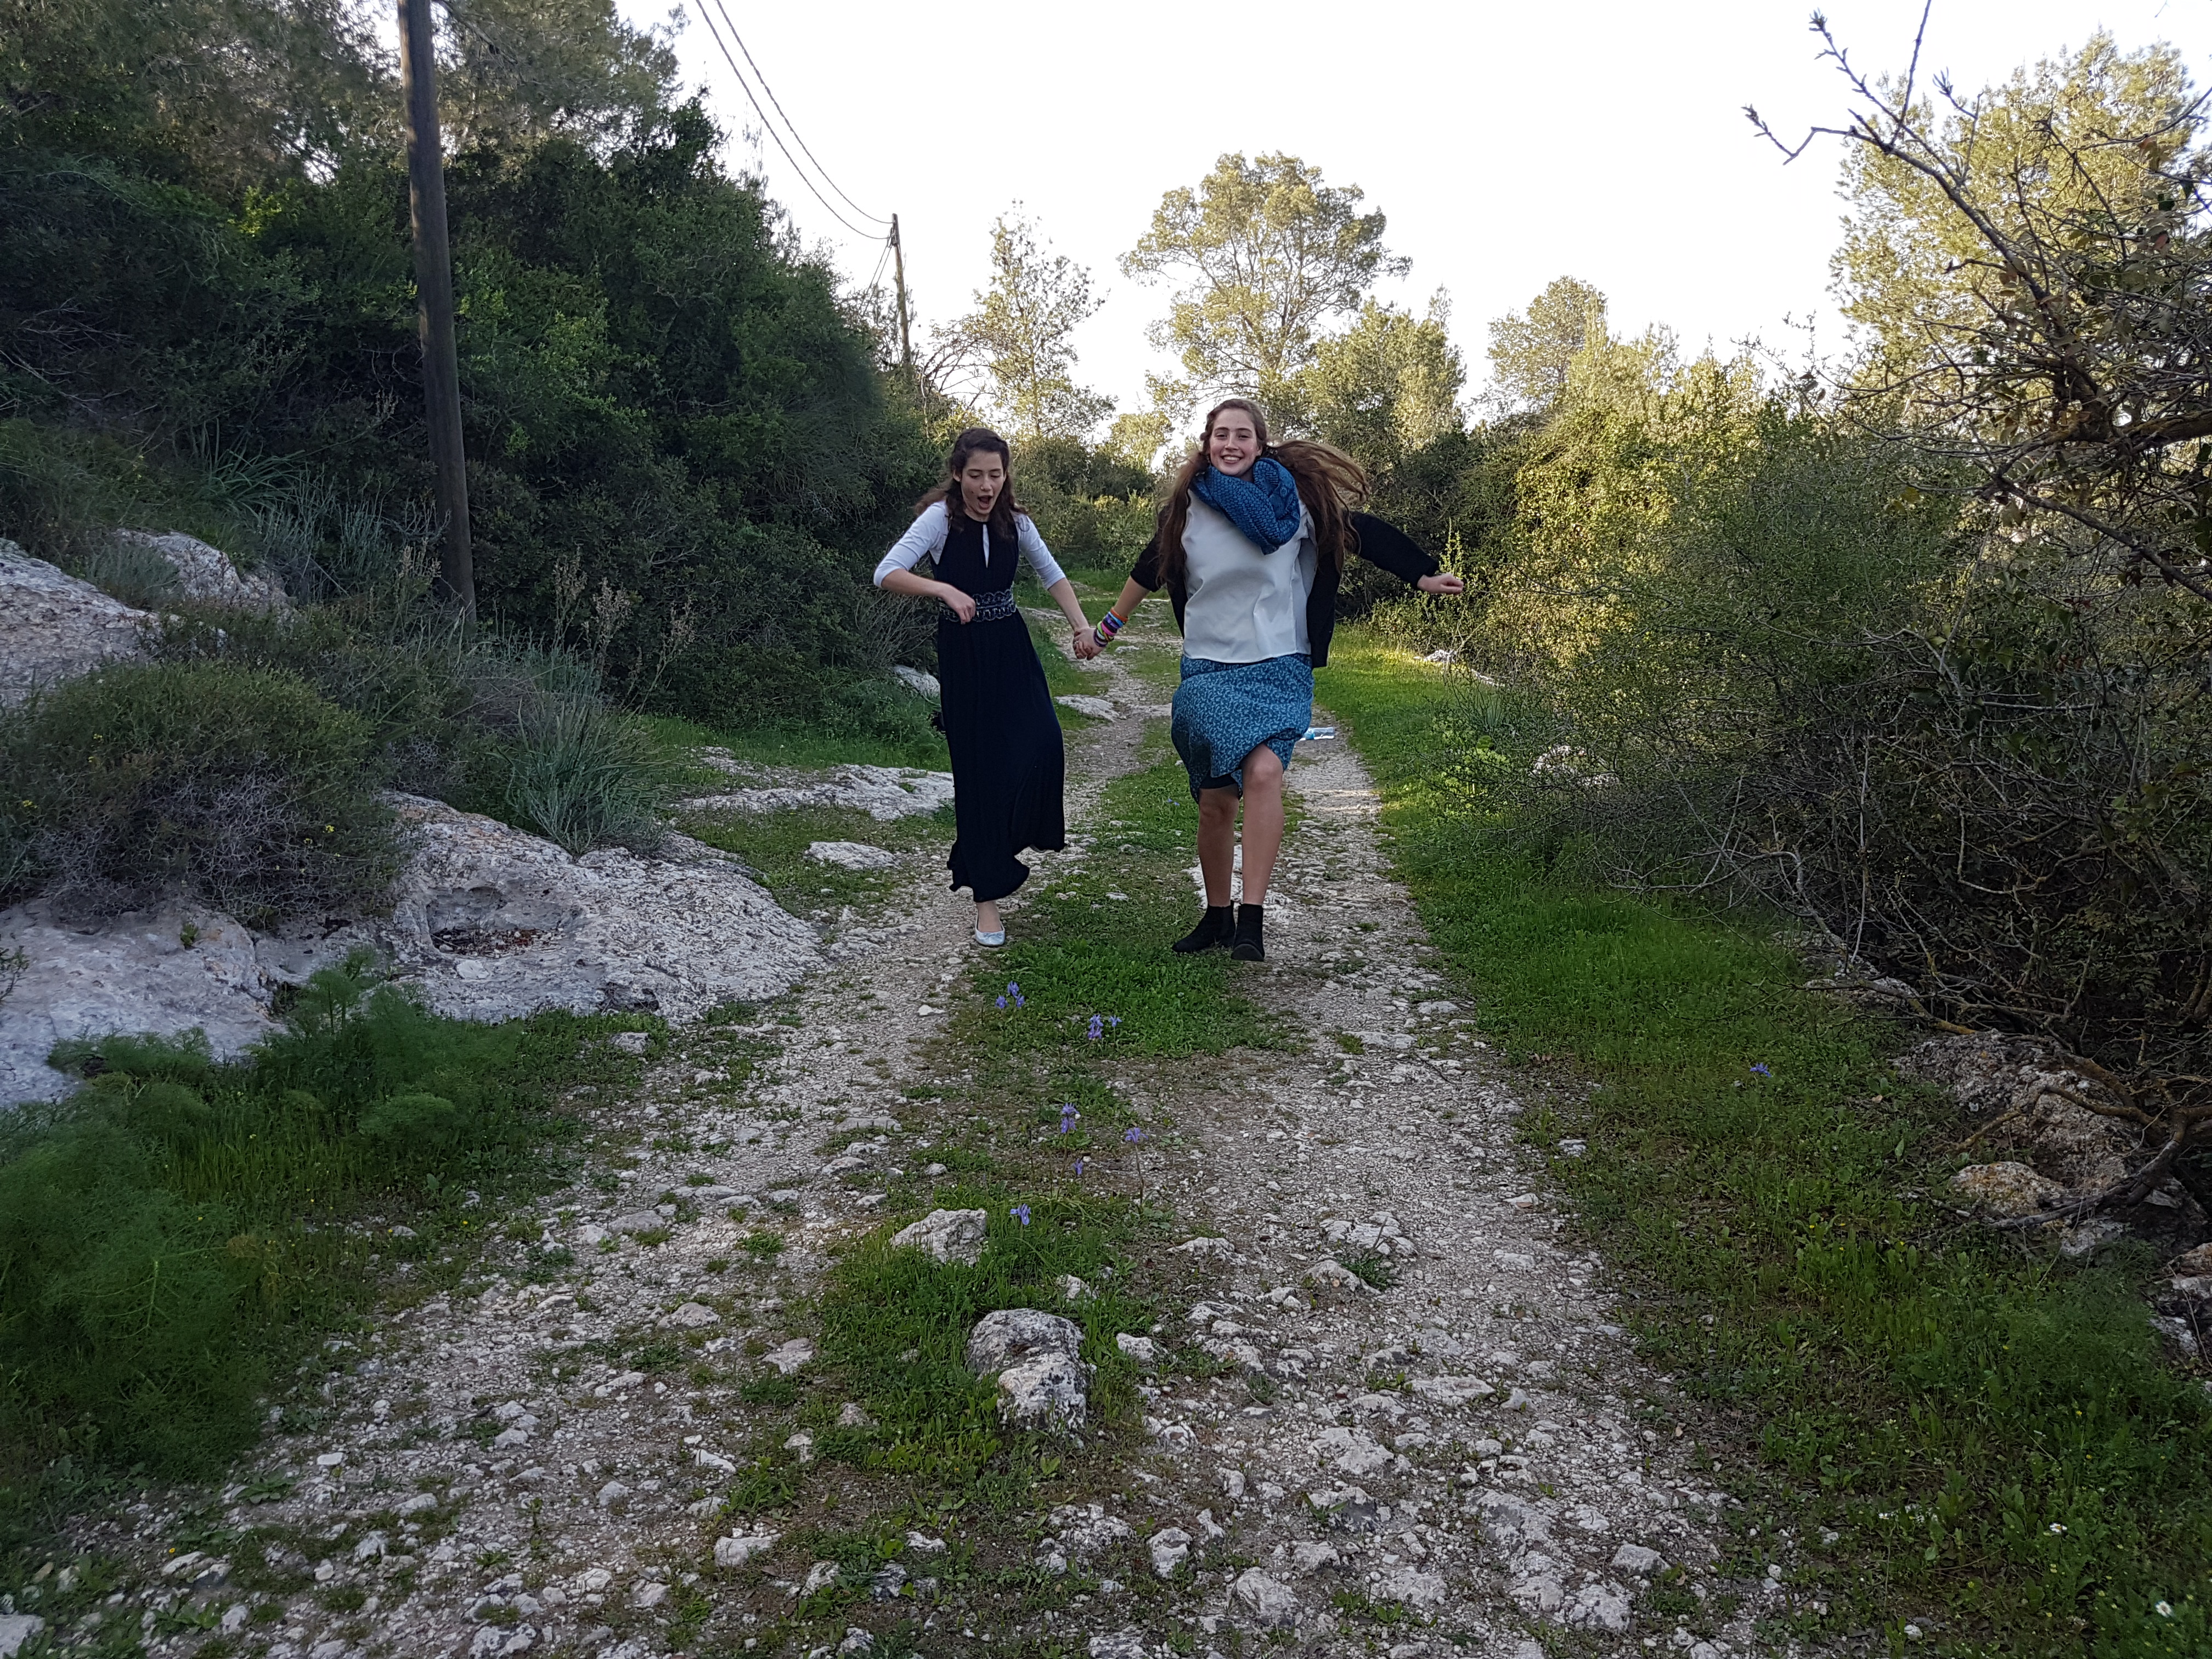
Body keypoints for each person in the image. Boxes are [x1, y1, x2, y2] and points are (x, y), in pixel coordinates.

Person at [1095, 399, 1464, 962]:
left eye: (1243, 435)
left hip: (1280, 664)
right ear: (1207, 444)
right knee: (1216, 800)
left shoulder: (1294, 504)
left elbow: (1362, 533)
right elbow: (1151, 567)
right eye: (1222, 435)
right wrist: (1106, 629)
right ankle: (1217, 916)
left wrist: (1423, 575)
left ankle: (1252, 920)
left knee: (1265, 772)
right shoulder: (1188, 507)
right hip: (1210, 668)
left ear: (1261, 445)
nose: (1231, 445)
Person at [875, 428, 1098, 945]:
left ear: (1005, 476)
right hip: (965, 655)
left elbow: (1052, 574)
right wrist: (943, 589)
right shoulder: (939, 519)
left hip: (1012, 648)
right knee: (978, 773)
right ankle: (987, 901)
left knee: (1044, 744)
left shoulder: (1016, 522)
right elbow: (887, 572)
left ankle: (1008, 840)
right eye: (975, 475)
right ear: (958, 474)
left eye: (995, 475)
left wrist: (1080, 627)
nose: (986, 486)